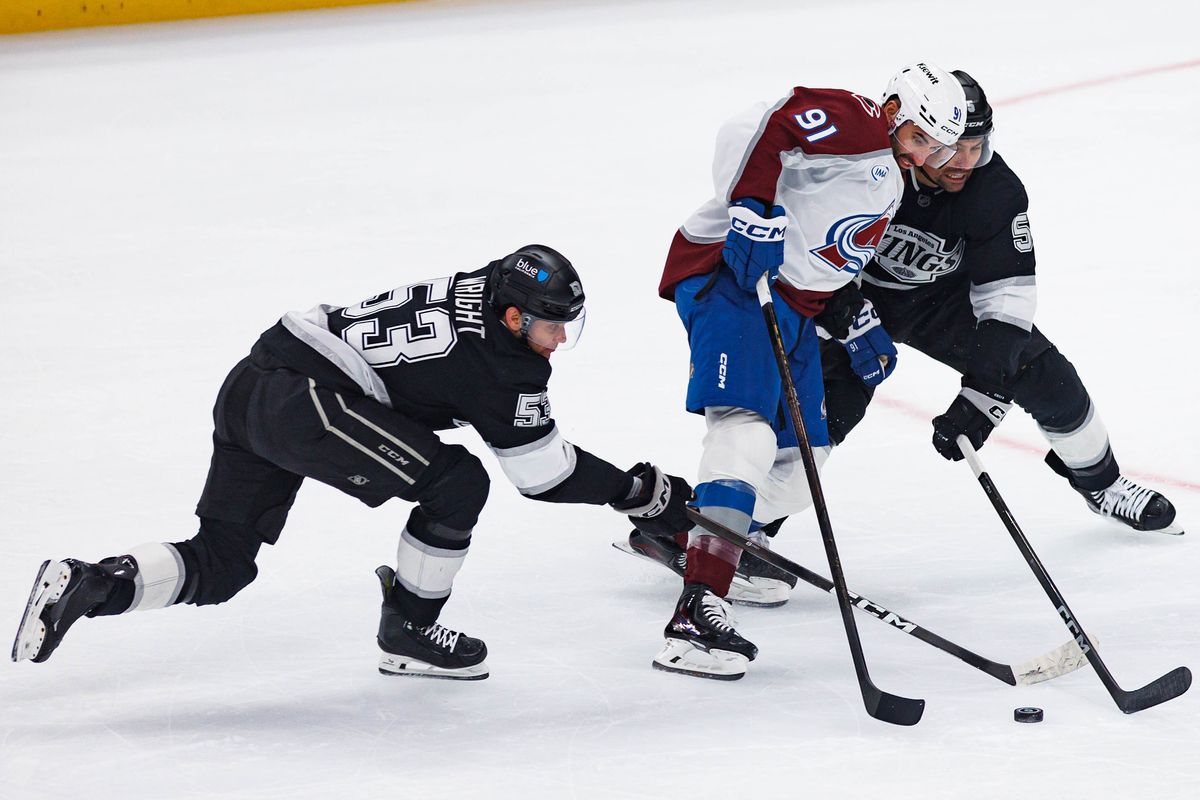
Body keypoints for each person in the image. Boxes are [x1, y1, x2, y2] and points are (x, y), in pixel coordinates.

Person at [12, 244, 694, 681]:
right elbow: (543, 476)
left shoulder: (484, 286)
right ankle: (410, 631)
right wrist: (640, 491)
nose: (560, 337)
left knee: (223, 564)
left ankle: (92, 584)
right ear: (513, 318)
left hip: (254, 381)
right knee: (458, 484)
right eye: (550, 324)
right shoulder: (503, 364)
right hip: (305, 401)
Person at [643, 63, 967, 680]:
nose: (929, 152)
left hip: (791, 305)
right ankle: (695, 610)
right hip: (731, 279)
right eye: (922, 135)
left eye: (938, 145)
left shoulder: (891, 175)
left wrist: (849, 312)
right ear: (899, 106)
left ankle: (699, 532)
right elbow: (758, 126)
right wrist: (750, 208)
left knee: (801, 463)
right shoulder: (857, 119)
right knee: (745, 432)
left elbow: (825, 248)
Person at [817, 70, 1180, 535]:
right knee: (821, 406)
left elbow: (1008, 296)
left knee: (1047, 376)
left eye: (976, 147)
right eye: (951, 147)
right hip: (853, 298)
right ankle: (749, 529)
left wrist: (984, 395)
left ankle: (1102, 484)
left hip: (941, 303)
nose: (963, 162)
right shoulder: (874, 166)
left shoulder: (995, 191)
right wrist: (833, 296)